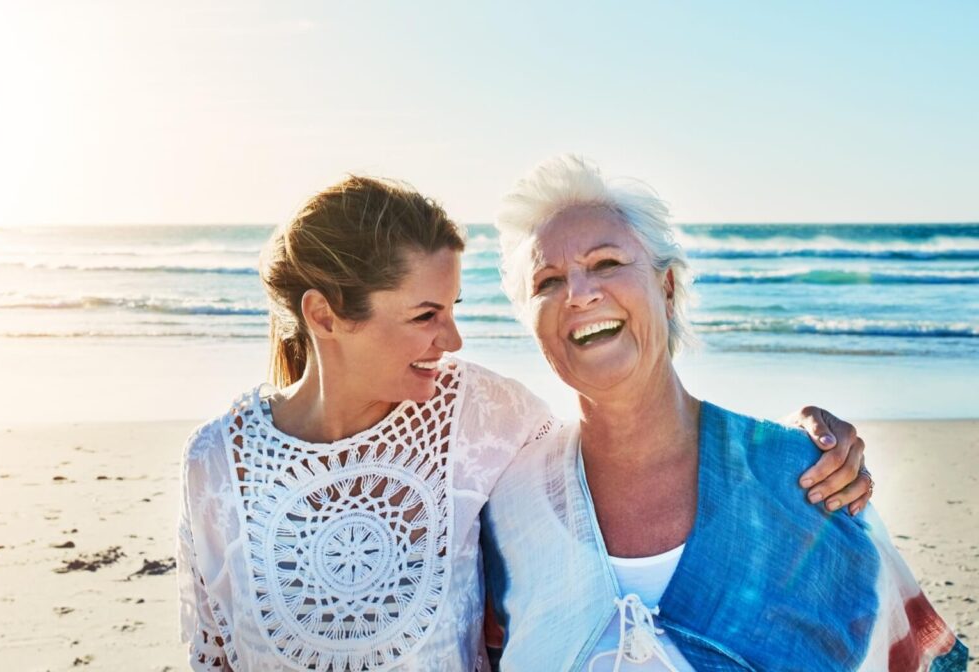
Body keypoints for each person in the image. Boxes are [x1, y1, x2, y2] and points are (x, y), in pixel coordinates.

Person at [177, 176, 872, 671]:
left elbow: (629, 417)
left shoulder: (481, 417)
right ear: (325, 317)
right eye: (425, 316)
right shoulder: (216, 462)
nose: (451, 340)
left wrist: (785, 444)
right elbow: (211, 652)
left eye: (451, 309)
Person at [480, 156, 967, 671]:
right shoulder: (508, 508)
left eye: (606, 263)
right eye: (547, 282)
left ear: (666, 289)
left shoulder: (806, 478)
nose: (579, 294)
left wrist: (794, 446)